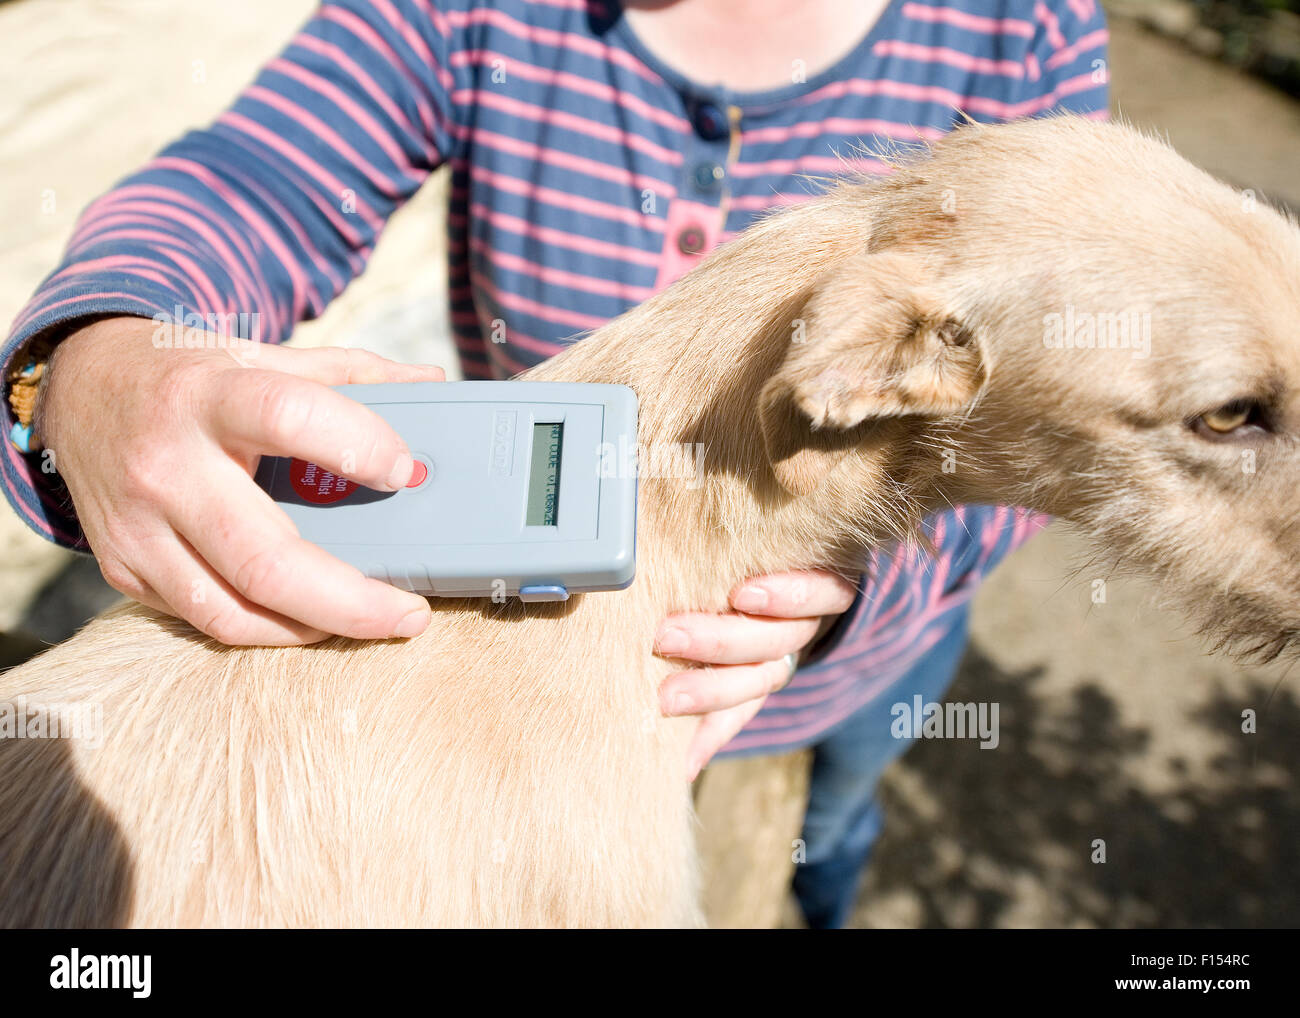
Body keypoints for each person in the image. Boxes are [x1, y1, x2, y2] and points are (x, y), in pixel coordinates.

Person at [1, 0, 1108, 927]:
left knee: (830, 828)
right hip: (541, 698)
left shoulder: (1020, 27)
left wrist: (853, 584)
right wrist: (97, 356)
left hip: (855, 661)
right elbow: (263, 174)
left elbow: (1059, 413)